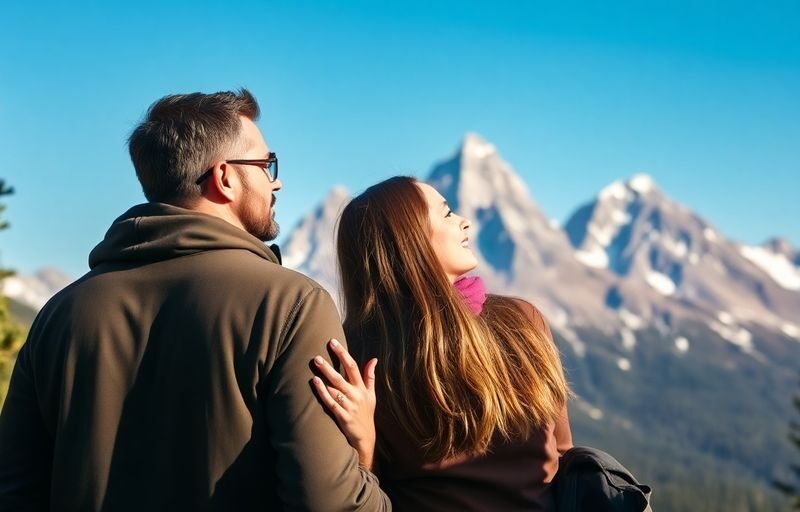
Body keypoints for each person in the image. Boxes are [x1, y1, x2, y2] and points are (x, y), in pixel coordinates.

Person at [0, 89, 390, 511]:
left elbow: (14, 490)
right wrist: (365, 461)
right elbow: (329, 503)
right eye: (265, 165)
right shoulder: (291, 304)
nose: (276, 180)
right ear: (225, 177)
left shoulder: (60, 313)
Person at [311, 176, 572, 511]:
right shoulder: (357, 353)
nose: (465, 222)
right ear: (409, 239)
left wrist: (366, 453)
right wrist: (364, 450)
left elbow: (562, 456)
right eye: (447, 213)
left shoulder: (355, 348)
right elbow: (563, 454)